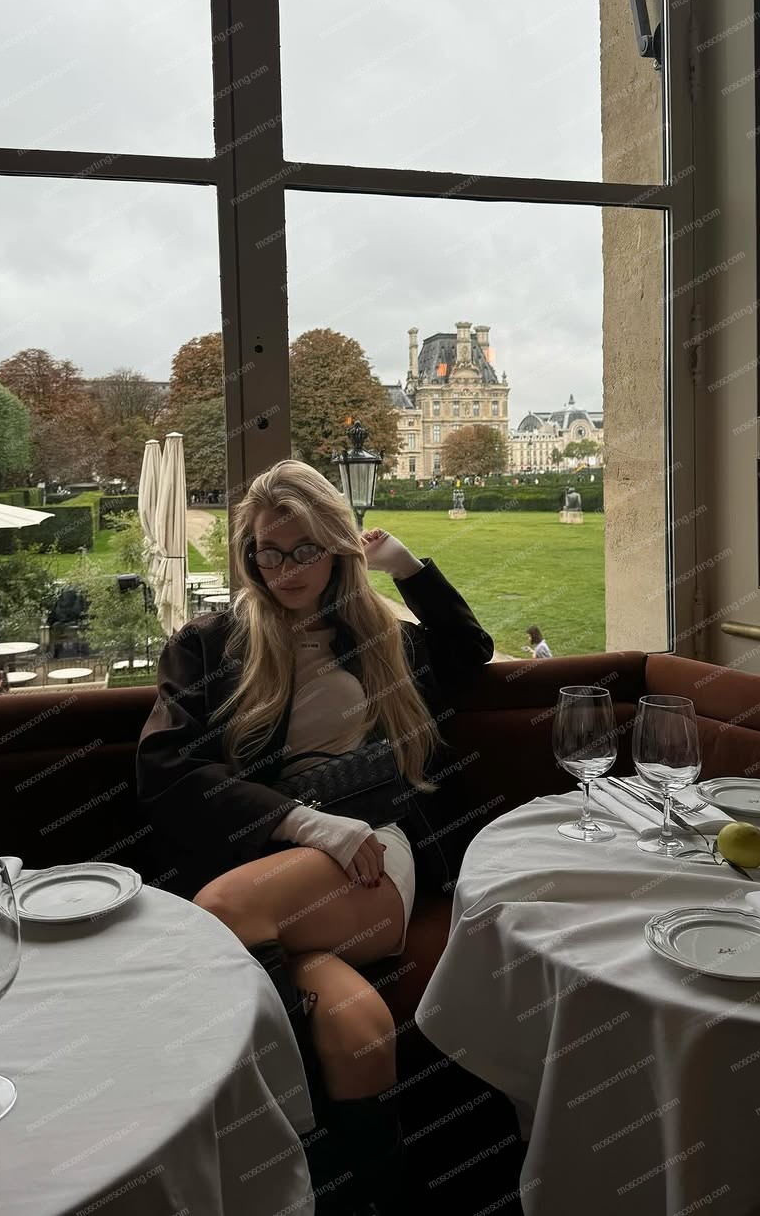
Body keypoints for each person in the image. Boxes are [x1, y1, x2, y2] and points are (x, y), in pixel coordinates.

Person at [136, 459, 493, 1214]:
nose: (286, 571)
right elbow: (165, 767)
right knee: (354, 1026)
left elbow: (470, 651)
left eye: (305, 550)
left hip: (373, 848)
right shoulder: (210, 644)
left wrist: (406, 568)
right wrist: (302, 822)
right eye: (268, 551)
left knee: (225, 909)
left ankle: (262, 1173)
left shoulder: (382, 638)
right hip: (279, 856)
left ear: (336, 548)